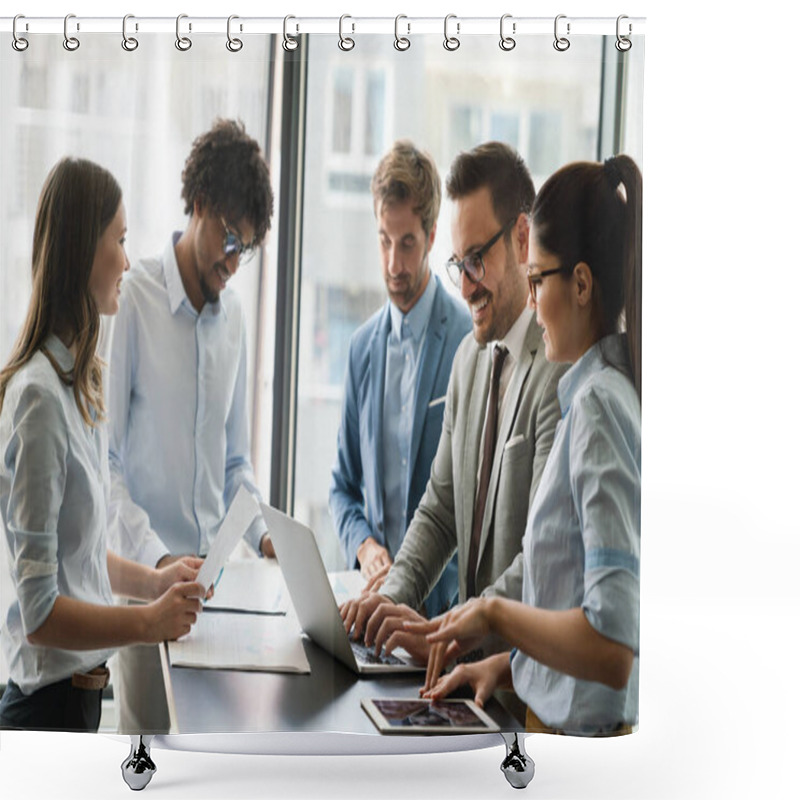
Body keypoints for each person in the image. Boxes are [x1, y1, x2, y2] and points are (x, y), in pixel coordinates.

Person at [409, 155, 642, 737]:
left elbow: (614, 645)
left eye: (537, 281)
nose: (533, 304)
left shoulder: (596, 407)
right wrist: (508, 666)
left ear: (582, 284)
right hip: (541, 712)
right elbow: (569, 598)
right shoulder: (590, 395)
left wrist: (494, 616)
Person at [0, 158, 205, 732]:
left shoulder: (76, 386)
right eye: (118, 238)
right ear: (81, 253)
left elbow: (81, 557)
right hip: (44, 714)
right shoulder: (38, 397)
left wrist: (154, 583)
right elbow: (39, 613)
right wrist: (147, 623)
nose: (127, 257)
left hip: (78, 703)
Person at [341, 142, 565, 663]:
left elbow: (542, 557)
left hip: (520, 678)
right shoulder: (468, 359)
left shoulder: (557, 368)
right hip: (464, 675)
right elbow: (441, 510)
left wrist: (443, 632)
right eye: (458, 265)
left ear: (522, 237)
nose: (464, 286)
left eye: (477, 261)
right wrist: (387, 603)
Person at [107, 119, 274, 733]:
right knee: (145, 761)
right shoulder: (134, 300)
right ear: (198, 204)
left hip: (219, 597)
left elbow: (235, 465)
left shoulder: (235, 323)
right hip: (145, 594)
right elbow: (108, 464)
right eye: (229, 240)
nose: (234, 263)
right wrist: (157, 562)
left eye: (246, 249)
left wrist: (264, 535)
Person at [329, 140, 471, 618]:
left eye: (407, 242)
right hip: (372, 610)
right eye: (384, 241)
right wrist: (365, 546)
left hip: (441, 616)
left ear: (432, 236)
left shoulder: (468, 342)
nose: (393, 264)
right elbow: (342, 488)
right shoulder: (362, 349)